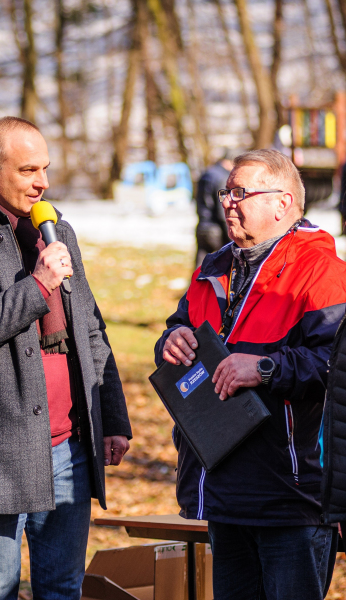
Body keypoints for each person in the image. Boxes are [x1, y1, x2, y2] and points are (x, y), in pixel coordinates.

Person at [0, 116, 132, 600]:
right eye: (29, 170)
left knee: (62, 588)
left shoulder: (57, 232)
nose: (43, 183)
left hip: (70, 447)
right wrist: (38, 285)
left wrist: (112, 417)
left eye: (46, 169)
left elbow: (90, 329)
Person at [154, 149, 346, 600]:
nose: (227, 202)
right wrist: (172, 340)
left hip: (289, 495)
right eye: (226, 192)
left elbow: (334, 365)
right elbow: (178, 326)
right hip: (221, 488)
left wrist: (264, 368)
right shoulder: (213, 268)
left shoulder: (322, 272)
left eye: (241, 193)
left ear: (283, 203)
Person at [195, 152, 234, 267]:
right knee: (223, 267)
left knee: (200, 267)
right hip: (216, 229)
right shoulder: (222, 178)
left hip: (202, 226)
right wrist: (231, 235)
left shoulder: (207, 173)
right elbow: (222, 208)